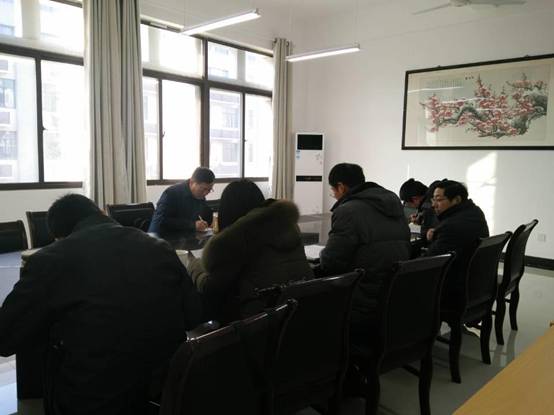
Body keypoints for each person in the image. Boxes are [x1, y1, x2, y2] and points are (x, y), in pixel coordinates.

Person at [0, 194, 203, 415]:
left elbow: (5, 337)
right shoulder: (159, 247)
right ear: (100, 213)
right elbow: (193, 315)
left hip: (92, 398)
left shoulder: (51, 259)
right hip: (165, 390)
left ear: (60, 236)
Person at [199, 179, 313, 323]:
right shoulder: (288, 225)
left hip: (260, 323)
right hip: (302, 313)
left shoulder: (240, 236)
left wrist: (195, 268)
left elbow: (211, 288)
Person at [319, 163, 411, 331]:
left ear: (341, 187)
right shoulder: (393, 203)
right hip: (393, 290)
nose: (334, 196)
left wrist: (321, 255)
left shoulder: (348, 211)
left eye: (333, 191)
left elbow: (331, 262)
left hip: (363, 295)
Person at [425, 180, 489, 305]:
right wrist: (438, 233)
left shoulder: (452, 226)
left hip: (457, 287)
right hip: (477, 277)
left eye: (439, 200)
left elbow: (429, 260)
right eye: (433, 199)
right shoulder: (474, 211)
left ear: (457, 200)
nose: (433, 205)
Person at [148, 167, 215, 234]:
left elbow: (200, 217)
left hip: (184, 237)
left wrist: (205, 223)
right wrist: (192, 224)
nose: (205, 193)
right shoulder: (171, 193)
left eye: (209, 190)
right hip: (161, 236)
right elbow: (161, 221)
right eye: (203, 189)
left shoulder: (200, 196)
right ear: (192, 182)